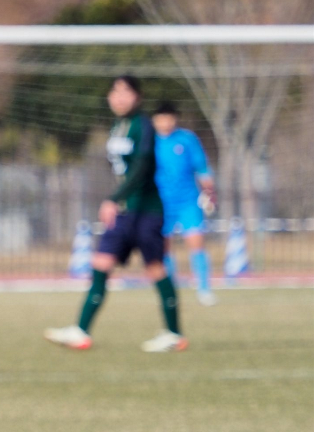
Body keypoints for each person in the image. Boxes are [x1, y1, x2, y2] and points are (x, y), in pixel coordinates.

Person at [45, 75, 185, 353]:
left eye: (126, 92)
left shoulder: (143, 125)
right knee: (100, 263)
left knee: (155, 268)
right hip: (125, 211)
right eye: (115, 91)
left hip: (146, 210)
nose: (119, 97)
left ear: (138, 97)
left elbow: (142, 167)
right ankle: (81, 331)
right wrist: (118, 200)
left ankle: (174, 334)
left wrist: (114, 198)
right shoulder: (117, 127)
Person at [152, 101, 217, 306]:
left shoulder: (187, 139)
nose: (166, 122)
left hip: (188, 200)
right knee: (163, 247)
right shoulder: (149, 141)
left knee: (196, 241)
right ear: (155, 120)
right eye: (161, 118)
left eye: (169, 118)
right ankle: (171, 292)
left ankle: (204, 289)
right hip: (160, 202)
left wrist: (209, 190)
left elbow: (202, 167)